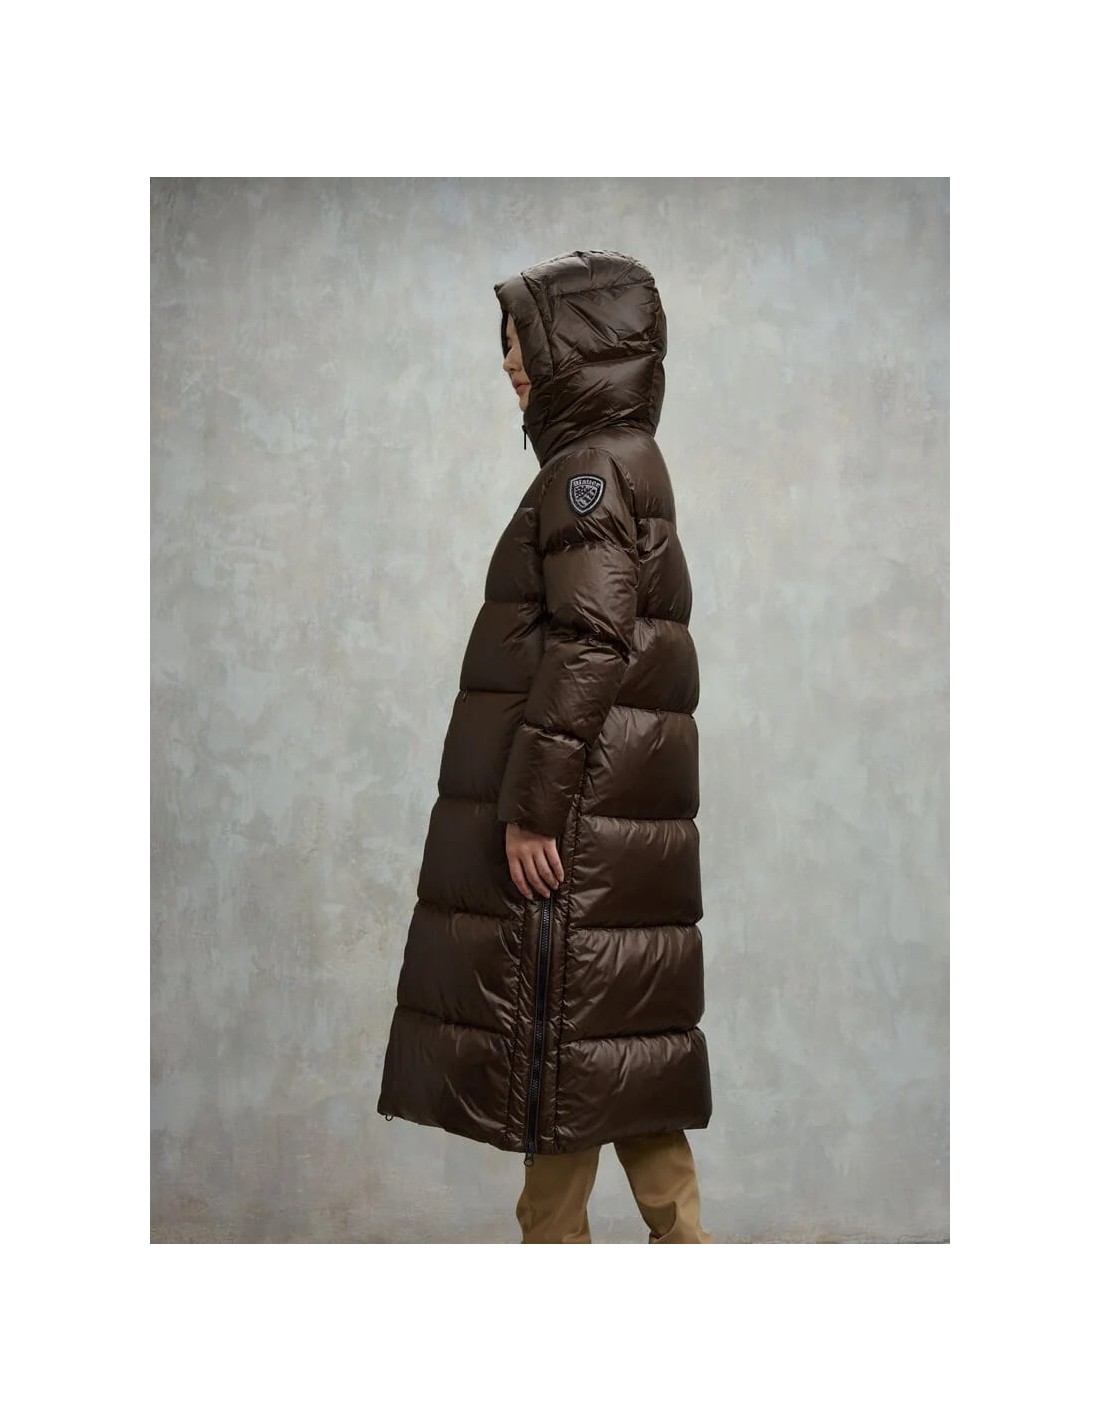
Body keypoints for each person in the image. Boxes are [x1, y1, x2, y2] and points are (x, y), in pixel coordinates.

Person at [377, 248, 714, 1243]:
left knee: (559, 1047)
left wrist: (531, 809)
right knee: (612, 1047)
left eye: (522, 342)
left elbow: (588, 643)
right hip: (615, 816)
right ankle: (683, 1249)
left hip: (576, 819)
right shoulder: (625, 460)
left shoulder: (586, 475)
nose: (509, 364)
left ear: (577, 347)